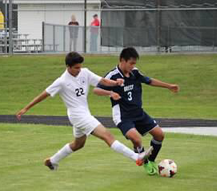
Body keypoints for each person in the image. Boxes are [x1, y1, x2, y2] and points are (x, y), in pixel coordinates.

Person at [16, 52, 152, 171]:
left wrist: (115, 83)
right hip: (77, 115)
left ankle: (52, 161)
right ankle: (136, 157)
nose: (79, 70)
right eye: (76, 68)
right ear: (68, 67)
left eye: (80, 66)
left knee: (78, 144)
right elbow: (43, 94)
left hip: (84, 113)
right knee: (108, 136)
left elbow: (102, 80)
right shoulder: (61, 81)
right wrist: (26, 108)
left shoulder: (85, 72)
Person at [94, 47, 180, 176]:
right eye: (131, 63)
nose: (133, 66)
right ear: (122, 60)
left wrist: (169, 86)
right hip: (123, 116)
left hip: (138, 113)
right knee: (137, 139)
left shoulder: (135, 73)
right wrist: (111, 93)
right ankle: (144, 163)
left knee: (159, 135)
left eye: (134, 63)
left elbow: (149, 81)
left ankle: (150, 160)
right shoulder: (113, 75)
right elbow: (96, 90)